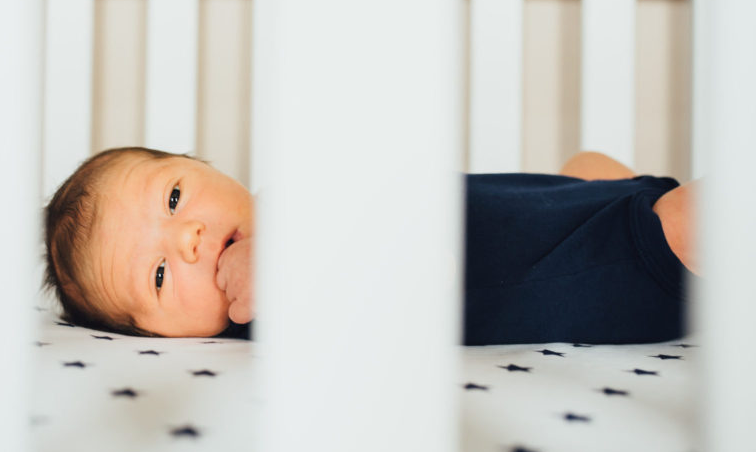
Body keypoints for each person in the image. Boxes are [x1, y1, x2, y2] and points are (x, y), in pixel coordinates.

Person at [43, 147, 698, 343]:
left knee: (585, 169)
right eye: (157, 276)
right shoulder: (270, 317)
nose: (186, 239)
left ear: (203, 162)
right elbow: (427, 266)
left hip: (565, 205)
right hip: (617, 262)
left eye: (176, 198)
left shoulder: (290, 196)